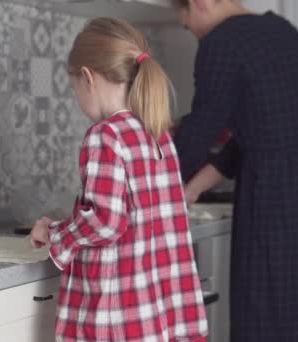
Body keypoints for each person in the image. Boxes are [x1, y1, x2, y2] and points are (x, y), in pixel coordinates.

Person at [171, 0, 298, 341]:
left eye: (185, 24)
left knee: (269, 320)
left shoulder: (222, 42)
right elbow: (256, 136)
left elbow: (199, 133)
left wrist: (137, 188)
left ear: (198, 3)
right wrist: (192, 188)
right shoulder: (284, 32)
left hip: (278, 200)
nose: (191, 33)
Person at [29, 17, 208, 342]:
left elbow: (105, 221)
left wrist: (53, 232)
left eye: (73, 89)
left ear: (88, 78)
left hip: (119, 321)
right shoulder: (157, 135)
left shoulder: (105, 136)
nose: (77, 98)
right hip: (156, 317)